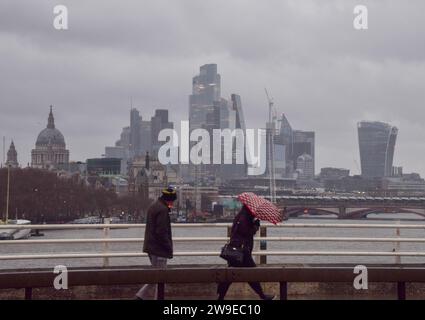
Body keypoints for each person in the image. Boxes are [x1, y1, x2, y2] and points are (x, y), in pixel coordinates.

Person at [217, 205, 275, 300]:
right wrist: (255, 226)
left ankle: (220, 297)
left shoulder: (243, 215)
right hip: (242, 252)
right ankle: (263, 296)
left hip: (238, 251)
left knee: (231, 275)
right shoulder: (244, 217)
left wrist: (253, 223)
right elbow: (245, 231)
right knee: (252, 274)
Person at [135, 186, 177, 300]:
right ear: (169, 199)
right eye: (172, 201)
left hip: (151, 247)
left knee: (155, 277)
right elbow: (161, 232)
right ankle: (141, 297)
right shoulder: (162, 210)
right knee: (160, 278)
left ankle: (140, 297)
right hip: (159, 250)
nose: (172, 204)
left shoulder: (154, 206)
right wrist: (168, 247)